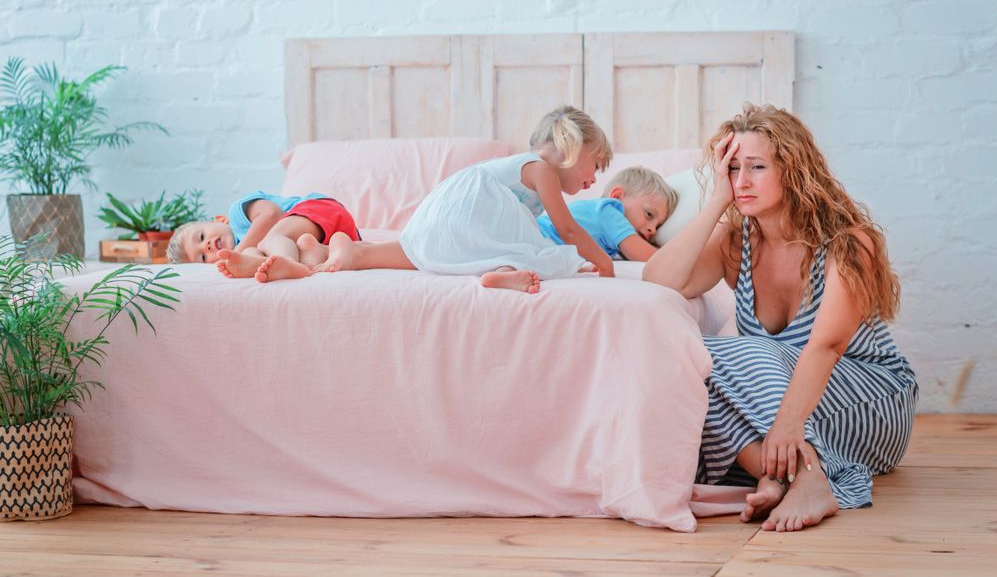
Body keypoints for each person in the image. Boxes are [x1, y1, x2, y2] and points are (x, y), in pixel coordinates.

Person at [642, 103, 917, 532]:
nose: (742, 181)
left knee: (744, 351)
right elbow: (659, 281)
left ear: (793, 169)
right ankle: (786, 476)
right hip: (783, 402)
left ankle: (801, 476)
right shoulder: (737, 242)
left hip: (868, 397)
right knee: (681, 360)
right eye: (733, 169)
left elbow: (826, 346)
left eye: (757, 167)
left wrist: (788, 426)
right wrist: (717, 200)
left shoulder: (849, 243)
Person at [317, 105, 615, 293]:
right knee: (521, 251)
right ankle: (501, 273)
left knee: (419, 252)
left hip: (455, 212)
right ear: (572, 144)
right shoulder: (541, 170)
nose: (596, 178)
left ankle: (356, 252)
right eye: (597, 164)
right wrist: (603, 261)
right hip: (472, 215)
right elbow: (568, 229)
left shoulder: (529, 169)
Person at [166, 191, 361, 283]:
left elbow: (271, 215)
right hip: (338, 244)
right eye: (202, 257)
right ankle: (286, 262)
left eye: (201, 236)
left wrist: (238, 251)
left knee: (270, 240)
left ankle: (287, 262)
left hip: (323, 212)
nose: (206, 246)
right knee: (256, 253)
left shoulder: (237, 214)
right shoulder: (245, 252)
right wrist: (245, 256)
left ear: (219, 219)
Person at [537, 166, 677, 262]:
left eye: (658, 226)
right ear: (617, 197)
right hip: (536, 236)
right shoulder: (609, 212)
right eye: (649, 215)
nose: (652, 229)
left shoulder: (607, 232)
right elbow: (645, 255)